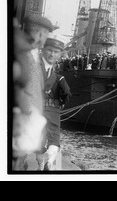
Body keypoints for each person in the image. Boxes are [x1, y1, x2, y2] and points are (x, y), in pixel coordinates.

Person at [12, 15, 55, 171]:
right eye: (46, 34)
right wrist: (27, 110)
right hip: (21, 122)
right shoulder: (22, 53)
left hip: (28, 126)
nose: (45, 39)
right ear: (40, 34)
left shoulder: (33, 54)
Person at [36, 34, 72, 170]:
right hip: (53, 110)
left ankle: (39, 167)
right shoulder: (59, 78)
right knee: (54, 139)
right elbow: (67, 93)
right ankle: (50, 163)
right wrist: (62, 102)